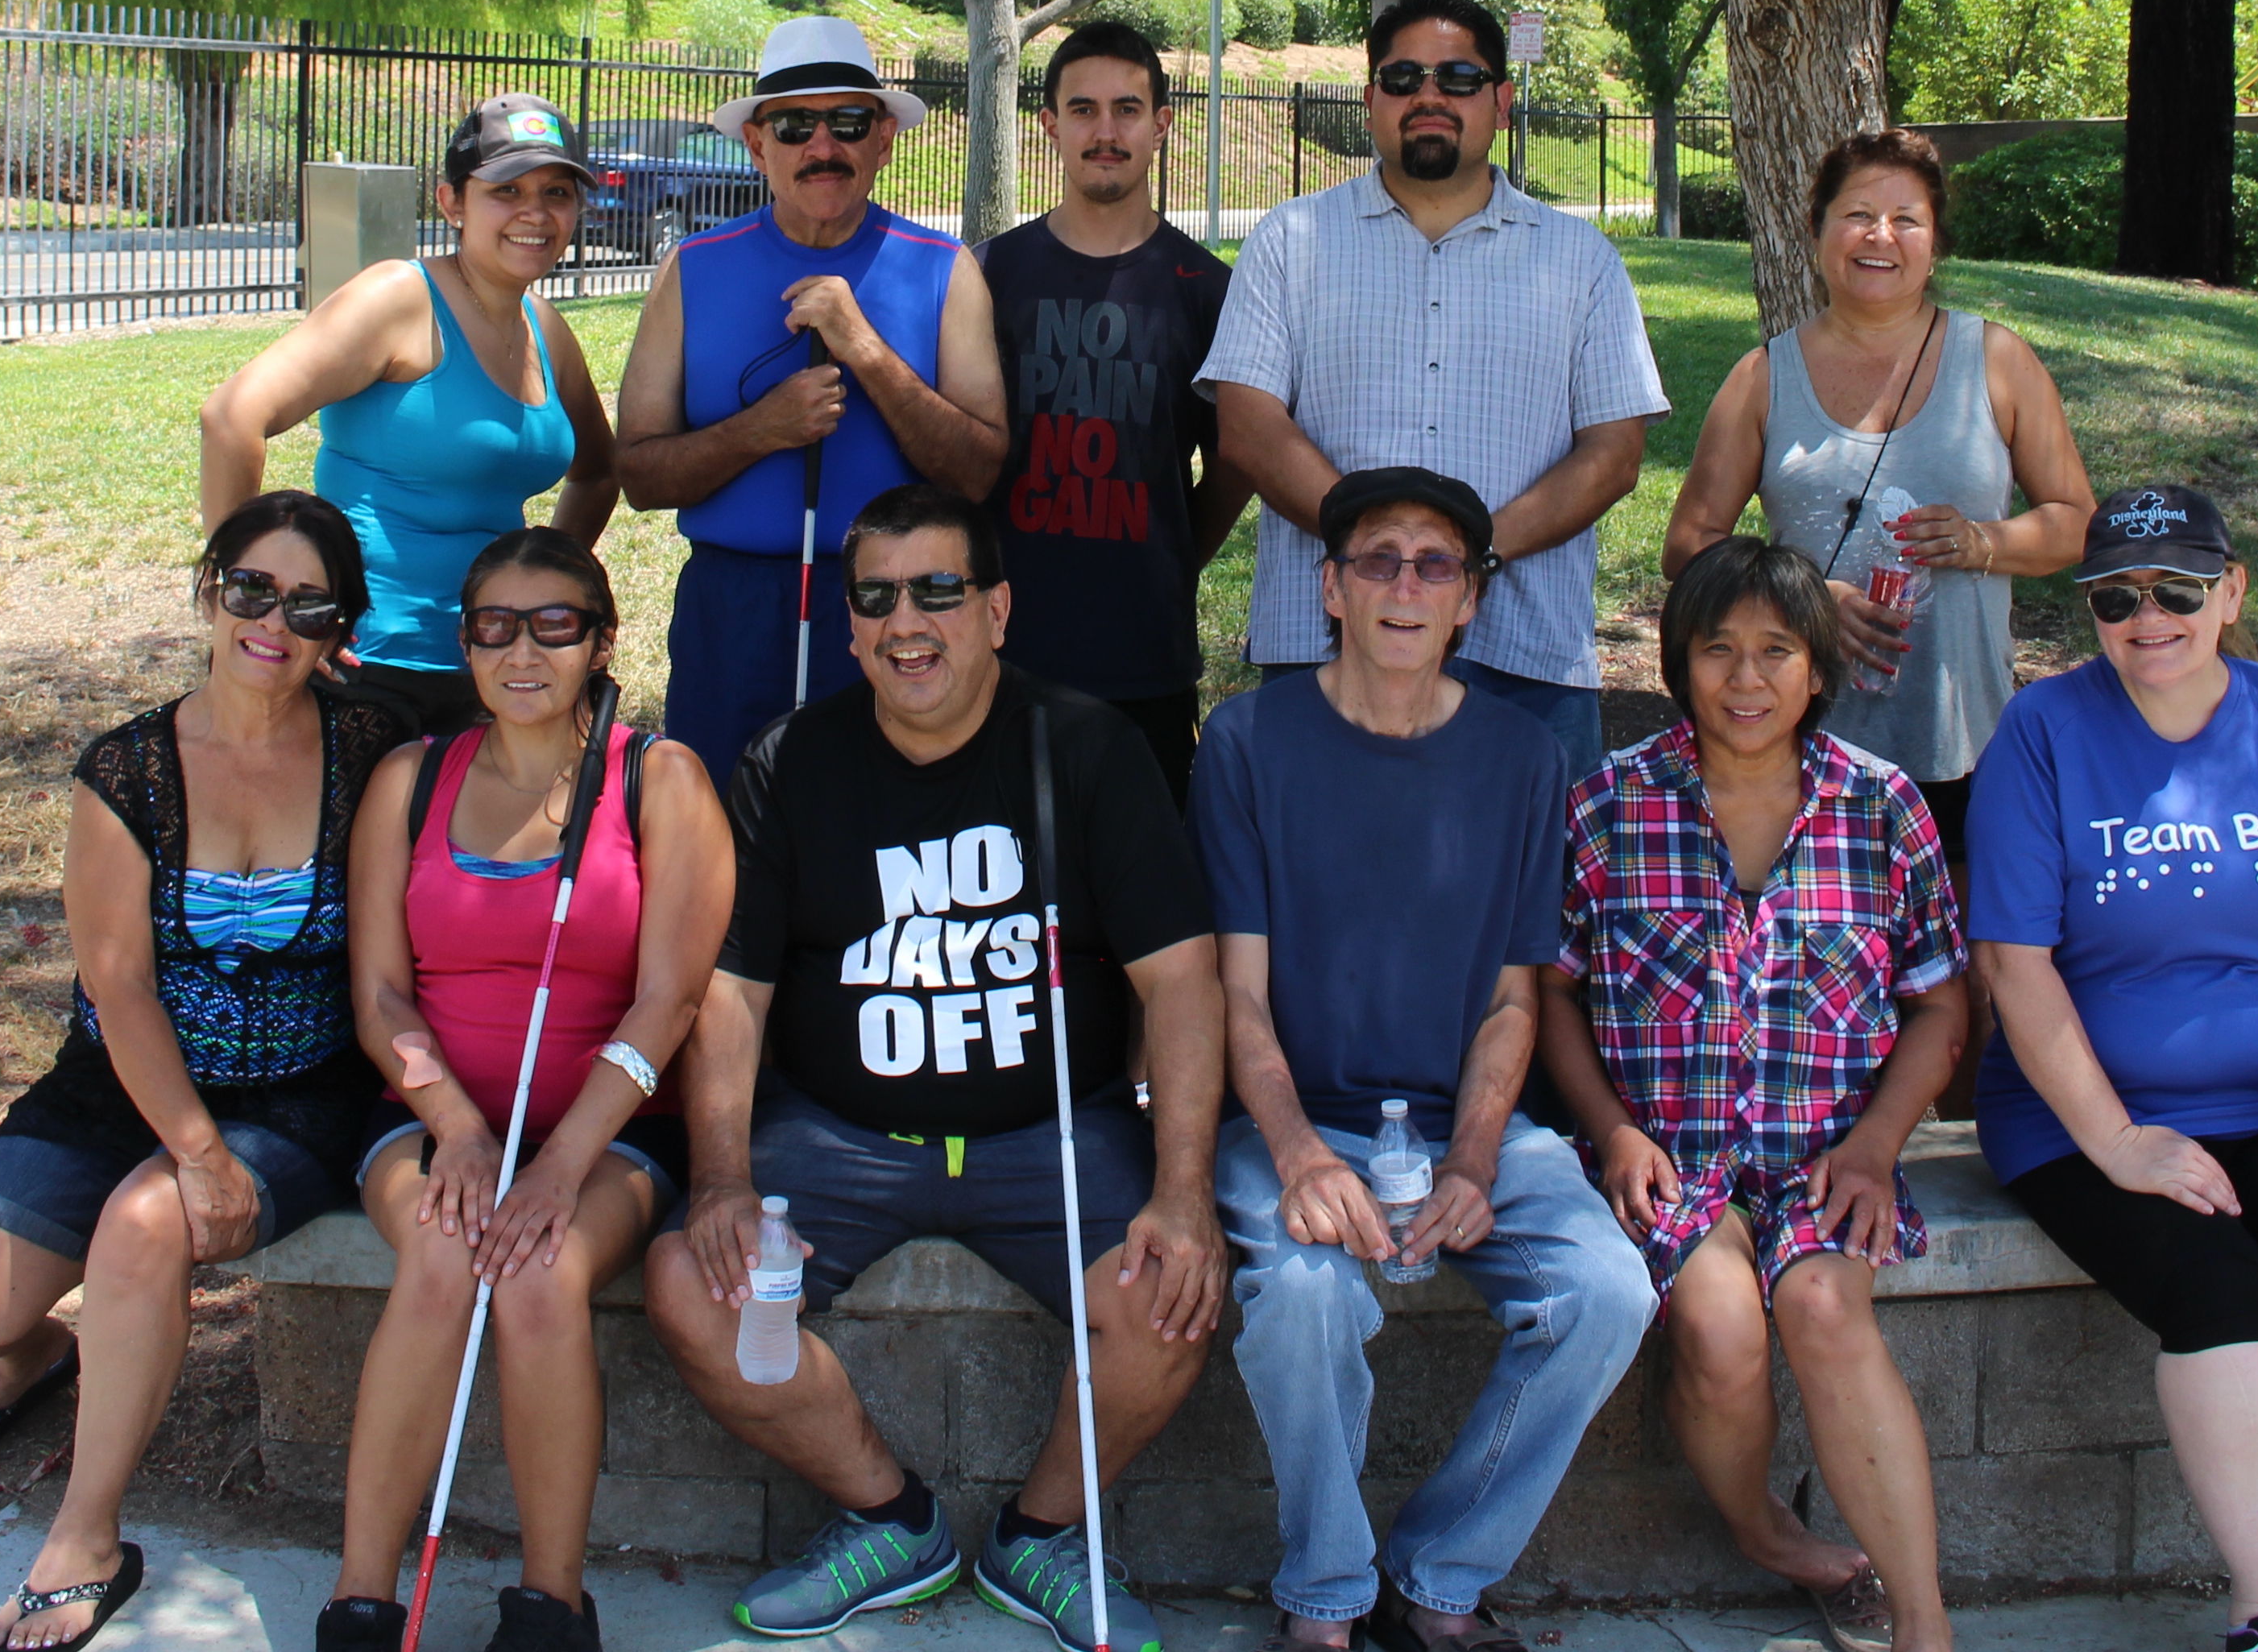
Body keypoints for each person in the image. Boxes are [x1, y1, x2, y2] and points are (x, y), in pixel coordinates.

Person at [640, 482, 1224, 1652]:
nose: (909, 622)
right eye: (878, 598)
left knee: (1169, 1300)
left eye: (940, 591)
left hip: (1053, 1134)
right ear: (848, 626)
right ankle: (890, 1523)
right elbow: (735, 1001)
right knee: (687, 1293)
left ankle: (1042, 1538)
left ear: (998, 610)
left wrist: (1182, 1191)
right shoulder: (789, 761)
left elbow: (1182, 982)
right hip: (840, 1141)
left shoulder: (1088, 748)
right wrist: (718, 1179)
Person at [0, 492, 416, 1652]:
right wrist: (192, 1148)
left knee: (144, 1228)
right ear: (208, 591)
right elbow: (119, 986)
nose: (273, 623)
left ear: (344, 626)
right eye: (251, 590)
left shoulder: (372, 749)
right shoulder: (125, 770)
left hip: (297, 1087)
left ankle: (86, 1538)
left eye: (310, 605)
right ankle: (40, 1350)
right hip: (123, 1076)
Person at [1968, 486, 2258, 1652]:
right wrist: (2119, 1140)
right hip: (2087, 1115)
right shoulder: (2043, 732)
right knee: (2221, 1294)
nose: (2149, 618)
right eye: (2116, 597)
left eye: (2178, 591)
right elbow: (2013, 962)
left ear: (2231, 593)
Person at [1193, 466, 1657, 1652]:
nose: (1406, 584)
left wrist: (1472, 1162)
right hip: (1292, 1122)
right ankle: (1327, 1599)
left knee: (1606, 1293)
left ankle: (1442, 1573)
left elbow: (1513, 1002)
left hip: (1466, 1127)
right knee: (1300, 1297)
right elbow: (1235, 995)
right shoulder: (1247, 741)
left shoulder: (1520, 760)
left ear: (1472, 601)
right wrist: (1298, 1155)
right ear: (1329, 588)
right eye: (1378, 560)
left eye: (1436, 564)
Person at [1543, 539, 1970, 1652]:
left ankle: (1925, 1628)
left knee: (1827, 1310)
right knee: (1722, 1323)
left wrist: (1879, 1146)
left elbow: (1939, 1007)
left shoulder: (1881, 811)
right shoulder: (1607, 807)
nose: (1746, 679)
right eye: (1716, 651)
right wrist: (1614, 1128)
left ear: (1817, 670)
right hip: (1671, 1165)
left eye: (1776, 652)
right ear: (1679, 667)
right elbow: (1551, 995)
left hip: (1825, 1158)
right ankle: (1768, 1533)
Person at [316, 529, 735, 1652]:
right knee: (448, 1253)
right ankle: (362, 1600)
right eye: (493, 626)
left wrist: (556, 1164)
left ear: (601, 641)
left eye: (554, 623)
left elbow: (669, 1007)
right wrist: (454, 1126)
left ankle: (551, 1605)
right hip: (433, 1126)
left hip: (608, 1135)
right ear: (465, 643)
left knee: (541, 1274)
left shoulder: (662, 781)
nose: (522, 649)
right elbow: (380, 1002)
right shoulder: (409, 781)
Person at [1203, 0, 1667, 783]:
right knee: (1312, 902)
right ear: (1370, 99)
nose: (1429, 96)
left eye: (1457, 78)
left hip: (1523, 662)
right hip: (1324, 654)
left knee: (1531, 904)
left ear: (1501, 100)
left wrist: (1472, 553)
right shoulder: (1289, 242)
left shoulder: (1581, 260)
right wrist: (1377, 558)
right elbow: (1249, 429)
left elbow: (1614, 454)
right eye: (1403, 76)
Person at [1660, 126, 2092, 871]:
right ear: (1819, 229)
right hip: (1802, 741)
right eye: (1857, 214)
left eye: (1907, 220)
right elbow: (1687, 543)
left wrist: (1983, 543)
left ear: (1936, 242)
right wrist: (1805, 600)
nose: (1880, 236)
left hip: (1960, 739)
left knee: (1959, 973)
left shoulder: (1996, 361)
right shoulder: (1764, 376)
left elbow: (2078, 524)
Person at [613, 15, 1008, 773]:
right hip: (733, 608)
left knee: (877, 844)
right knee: (724, 834)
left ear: (884, 137)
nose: (822, 148)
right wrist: (759, 430)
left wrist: (863, 346)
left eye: (848, 122)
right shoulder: (692, 269)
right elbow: (638, 474)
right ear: (757, 144)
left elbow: (978, 472)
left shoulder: (943, 269)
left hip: (899, 609)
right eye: (795, 126)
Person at [201, 96, 619, 730]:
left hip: (492, 669)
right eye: (506, 190)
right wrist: (244, 602)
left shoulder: (547, 331)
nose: (535, 213)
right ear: (453, 203)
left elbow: (598, 470)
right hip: (361, 666)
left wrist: (538, 588)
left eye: (558, 192)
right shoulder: (398, 298)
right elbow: (232, 417)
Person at [979, 19, 1251, 799]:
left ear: (1162, 126)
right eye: (1085, 110)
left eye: (1128, 109)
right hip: (1005, 656)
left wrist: (1168, 557)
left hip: (1147, 661)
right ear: (1049, 125)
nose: (1107, 132)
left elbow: (1232, 467)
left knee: (1146, 906)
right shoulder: (990, 275)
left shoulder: (1206, 288)